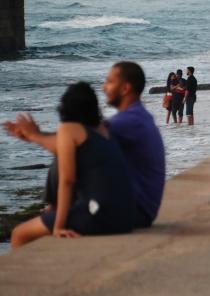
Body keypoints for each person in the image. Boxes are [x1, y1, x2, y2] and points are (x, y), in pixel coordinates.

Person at [5, 62, 166, 229]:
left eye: (109, 82)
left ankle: (54, 209)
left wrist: (34, 135)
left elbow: (70, 146)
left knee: (67, 158)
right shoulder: (137, 116)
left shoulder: (127, 122)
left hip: (133, 211)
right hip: (137, 207)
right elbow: (74, 140)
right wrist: (36, 135)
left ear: (125, 88)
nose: (104, 87)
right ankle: (55, 208)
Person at [7, 82, 136, 248]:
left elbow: (67, 180)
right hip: (124, 217)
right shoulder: (102, 130)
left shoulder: (69, 128)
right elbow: (59, 147)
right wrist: (33, 135)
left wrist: (58, 226)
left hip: (98, 215)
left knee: (19, 234)